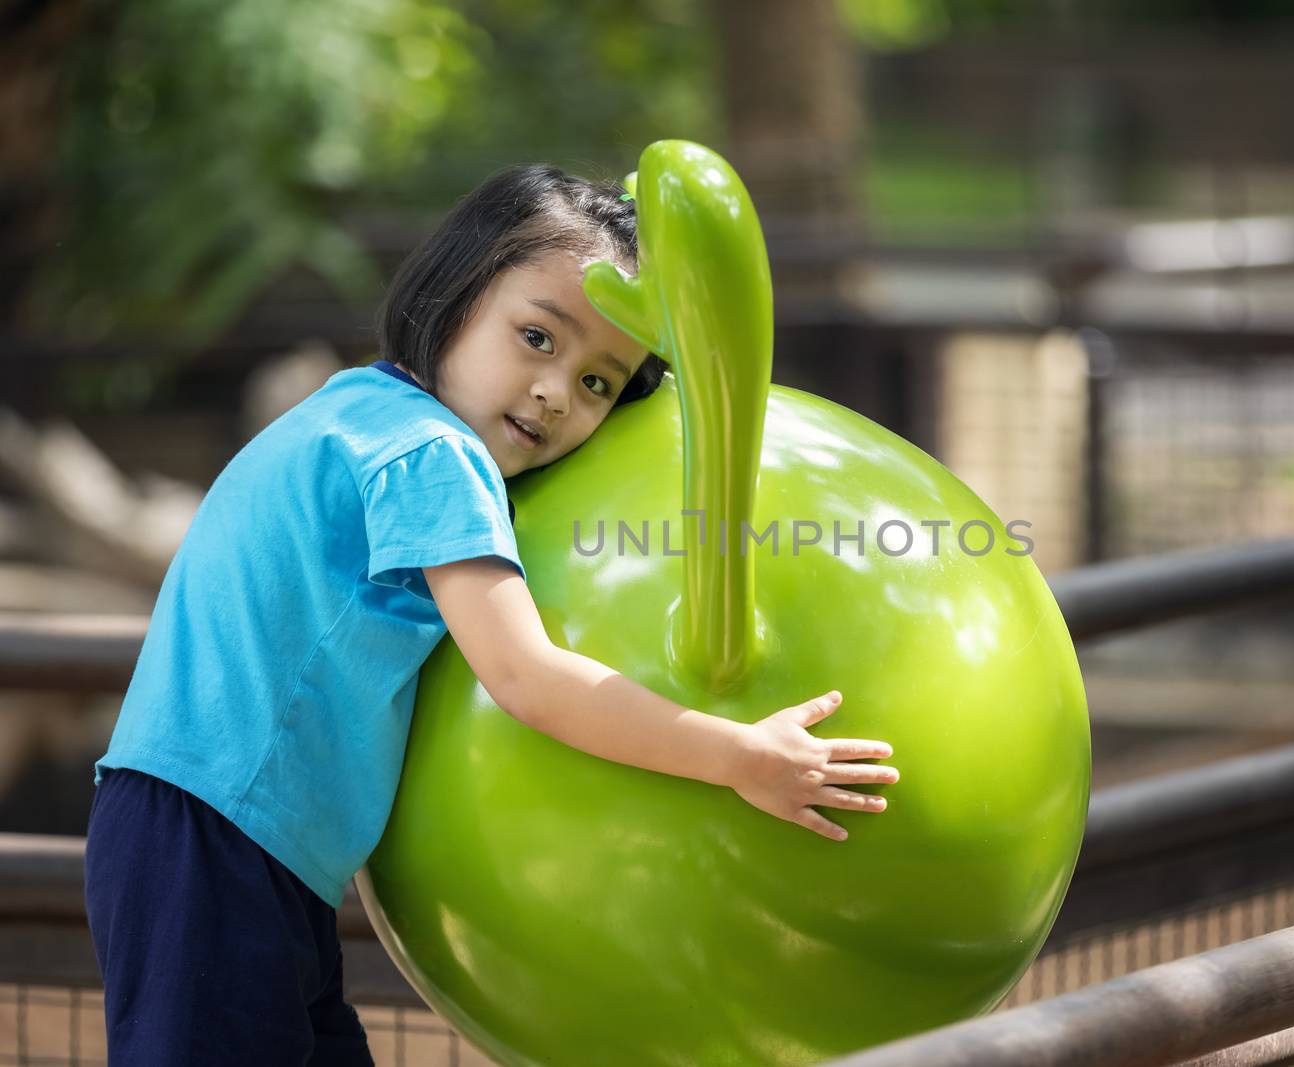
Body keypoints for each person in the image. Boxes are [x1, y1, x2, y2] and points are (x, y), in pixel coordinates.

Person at [83, 164, 900, 1065]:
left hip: (220, 832)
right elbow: (525, 676)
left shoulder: (361, 408)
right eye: (538, 335)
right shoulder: (434, 456)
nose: (556, 390)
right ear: (457, 290)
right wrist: (737, 754)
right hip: (220, 839)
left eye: (599, 383)